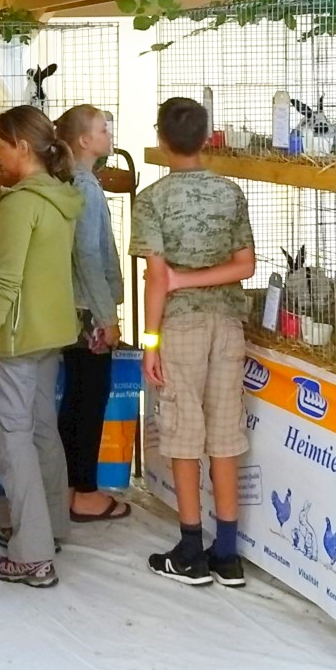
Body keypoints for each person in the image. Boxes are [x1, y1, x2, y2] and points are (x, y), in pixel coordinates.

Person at [131, 97, 257, 587]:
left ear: (161, 140)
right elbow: (246, 266)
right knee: (225, 436)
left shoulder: (153, 199)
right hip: (227, 324)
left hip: (180, 328)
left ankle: (189, 549)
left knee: (184, 435)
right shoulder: (230, 192)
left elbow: (156, 278)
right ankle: (226, 554)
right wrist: (197, 279)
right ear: (206, 139)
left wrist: (150, 340)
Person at [0, 106, 83, 588]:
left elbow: (7, 278)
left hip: (15, 337)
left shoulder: (19, 203)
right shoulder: (61, 197)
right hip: (51, 333)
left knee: (10, 440)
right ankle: (49, 527)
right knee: (41, 432)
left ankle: (33, 554)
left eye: (1, 145)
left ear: (21, 146)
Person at [53, 105, 129, 524]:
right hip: (88, 312)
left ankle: (68, 489)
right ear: (84, 140)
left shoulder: (73, 180)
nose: (108, 133)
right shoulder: (84, 185)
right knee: (89, 400)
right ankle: (84, 492)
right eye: (102, 128)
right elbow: (86, 254)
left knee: (77, 398)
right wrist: (107, 316)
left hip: (75, 307)